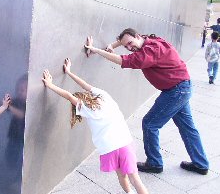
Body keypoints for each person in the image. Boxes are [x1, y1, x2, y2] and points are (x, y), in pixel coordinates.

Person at [84, 28, 209, 175]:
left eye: (130, 43)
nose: (130, 48)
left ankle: (154, 163)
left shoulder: (151, 51)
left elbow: (123, 60)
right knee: (188, 128)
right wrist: (112, 45)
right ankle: (200, 164)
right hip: (182, 87)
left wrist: (95, 50)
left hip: (176, 91)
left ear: (137, 36)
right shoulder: (148, 39)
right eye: (127, 46)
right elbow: (124, 39)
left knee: (150, 124)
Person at [42, 58, 148, 194]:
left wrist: (50, 85)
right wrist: (69, 72)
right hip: (124, 143)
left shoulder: (87, 109)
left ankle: (129, 193)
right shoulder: (105, 96)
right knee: (135, 178)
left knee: (121, 175)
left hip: (109, 147)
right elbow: (85, 85)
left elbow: (69, 96)